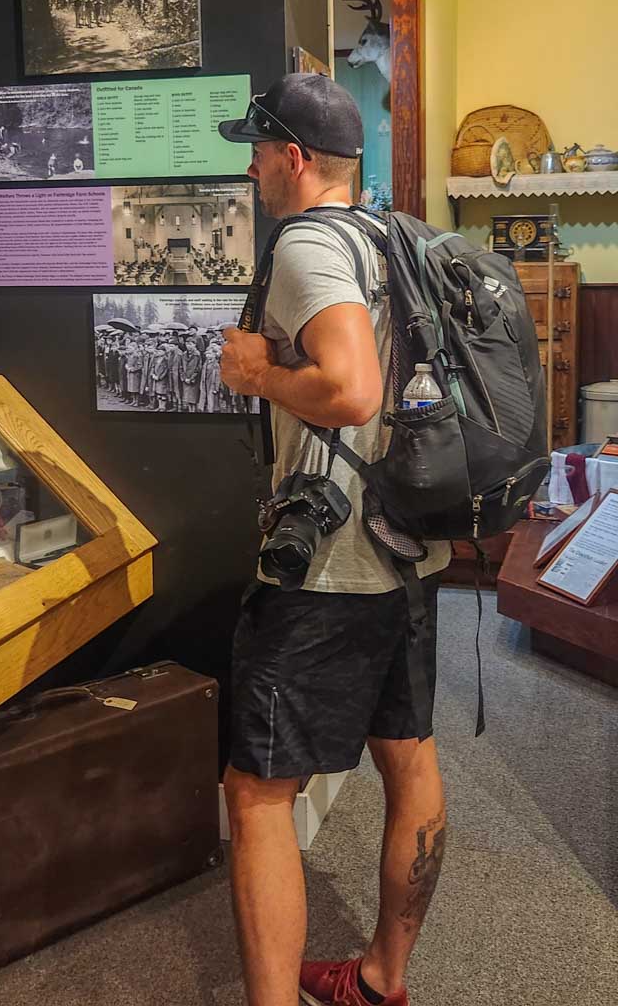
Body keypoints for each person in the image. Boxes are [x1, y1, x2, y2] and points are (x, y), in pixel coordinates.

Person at [216, 74, 450, 1006]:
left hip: (331, 562)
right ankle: (383, 979)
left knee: (256, 792)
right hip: (410, 545)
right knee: (410, 757)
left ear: (296, 158)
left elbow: (350, 389)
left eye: (259, 148)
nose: (252, 163)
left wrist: (257, 373)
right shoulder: (393, 239)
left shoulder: (309, 245)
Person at [179, 334, 202, 412]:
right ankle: (189, 410)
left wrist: (191, 378)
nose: (188, 346)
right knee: (187, 397)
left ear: (194, 345)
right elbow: (181, 366)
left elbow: (198, 368)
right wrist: (183, 377)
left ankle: (193, 411)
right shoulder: (184, 354)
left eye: (190, 344)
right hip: (185, 378)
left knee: (193, 398)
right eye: (187, 344)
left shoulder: (197, 355)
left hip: (193, 379)